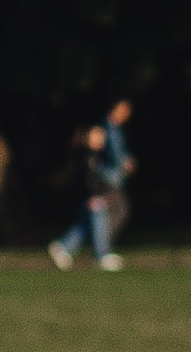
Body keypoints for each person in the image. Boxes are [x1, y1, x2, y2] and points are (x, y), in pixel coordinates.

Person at [49, 101, 133, 270]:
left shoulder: (92, 157)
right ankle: (101, 254)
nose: (101, 139)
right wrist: (93, 196)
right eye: (98, 136)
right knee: (97, 222)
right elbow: (87, 181)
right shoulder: (87, 158)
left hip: (93, 196)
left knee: (85, 225)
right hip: (93, 197)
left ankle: (63, 247)